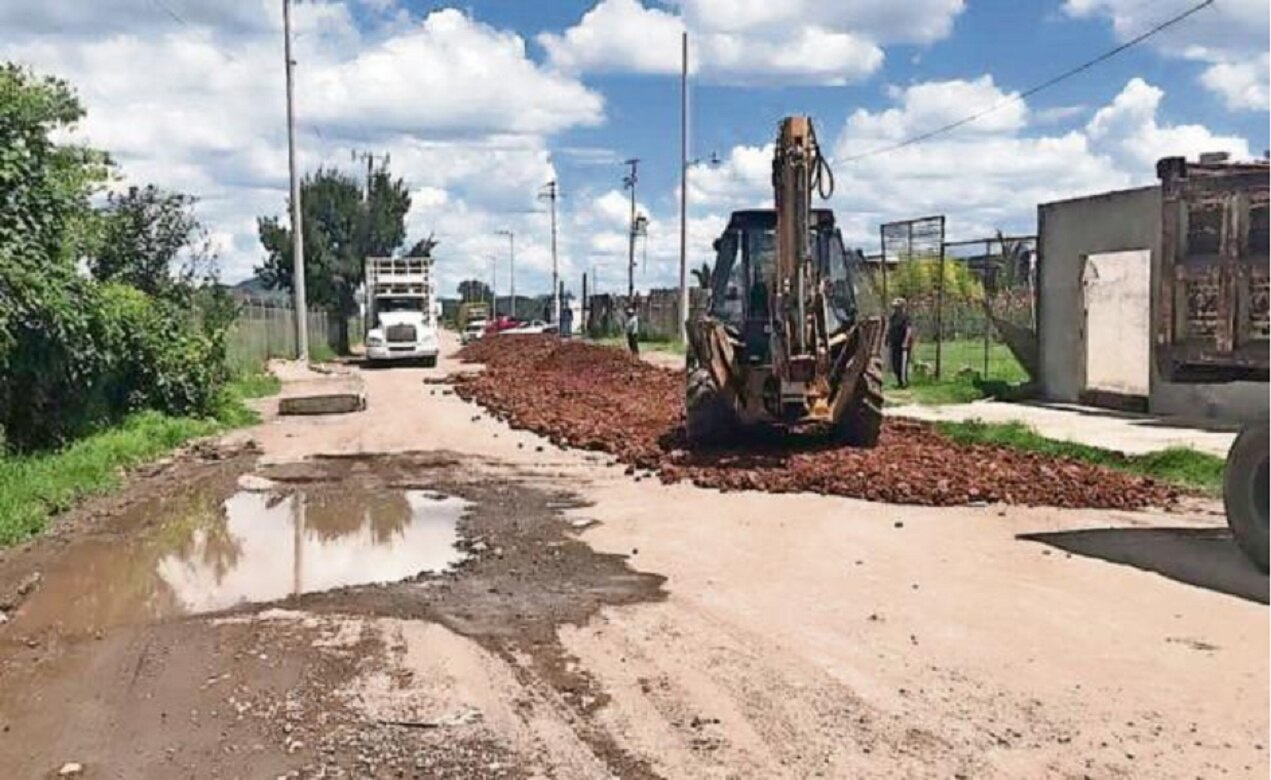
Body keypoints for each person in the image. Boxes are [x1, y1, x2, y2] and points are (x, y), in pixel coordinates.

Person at [886, 297, 914, 388]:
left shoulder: (905, 317)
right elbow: (890, 329)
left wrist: (905, 342)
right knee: (895, 364)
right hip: (895, 344)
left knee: (902, 364)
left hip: (903, 345)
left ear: (902, 307)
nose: (895, 309)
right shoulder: (893, 318)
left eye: (897, 307)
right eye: (895, 308)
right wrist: (887, 338)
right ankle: (899, 382)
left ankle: (904, 383)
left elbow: (908, 330)